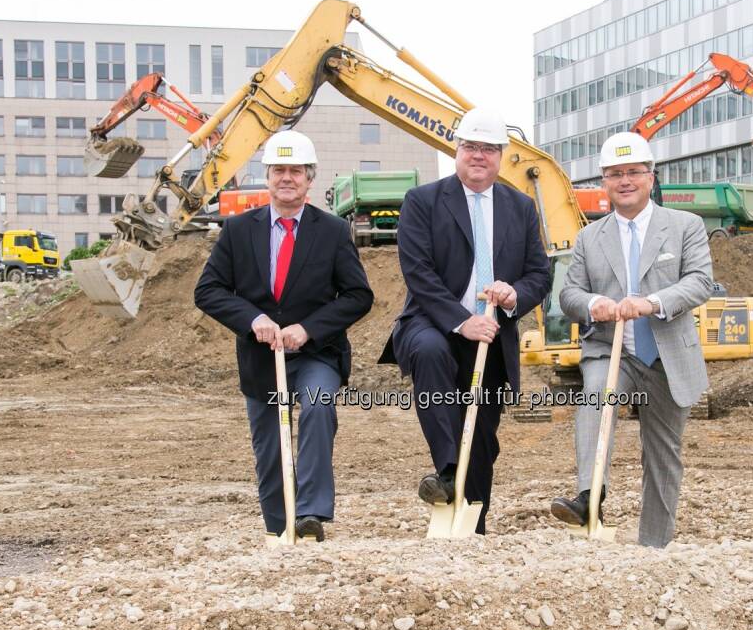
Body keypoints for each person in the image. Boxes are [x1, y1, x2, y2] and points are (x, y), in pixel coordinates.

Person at [195, 130, 373, 543]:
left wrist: (307, 329)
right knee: (270, 447)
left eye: (296, 171)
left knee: (317, 406)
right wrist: (252, 318)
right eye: (279, 170)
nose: (287, 178)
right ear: (268, 176)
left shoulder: (332, 232)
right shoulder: (239, 231)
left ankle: (310, 514)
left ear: (310, 178)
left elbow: (358, 296)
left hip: (316, 353)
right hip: (260, 359)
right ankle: (280, 527)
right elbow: (208, 290)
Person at [379, 108, 551, 534]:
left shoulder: (522, 207)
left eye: (489, 149)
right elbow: (417, 272)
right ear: (457, 150)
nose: (479, 156)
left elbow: (539, 274)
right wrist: (460, 321)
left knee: (484, 437)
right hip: (432, 321)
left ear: (501, 156)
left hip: (493, 329)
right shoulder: (423, 201)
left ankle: (474, 526)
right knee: (432, 352)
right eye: (471, 147)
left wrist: (515, 296)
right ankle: (449, 470)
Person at [550, 131, 713, 548]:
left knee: (662, 454)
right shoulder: (590, 237)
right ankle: (589, 497)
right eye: (615, 174)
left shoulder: (685, 227)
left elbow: (699, 282)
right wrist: (595, 303)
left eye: (634, 172)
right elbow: (569, 295)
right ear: (604, 181)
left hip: (666, 354)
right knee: (596, 398)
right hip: (611, 349)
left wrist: (653, 302)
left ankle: (654, 546)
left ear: (651, 177)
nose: (625, 180)